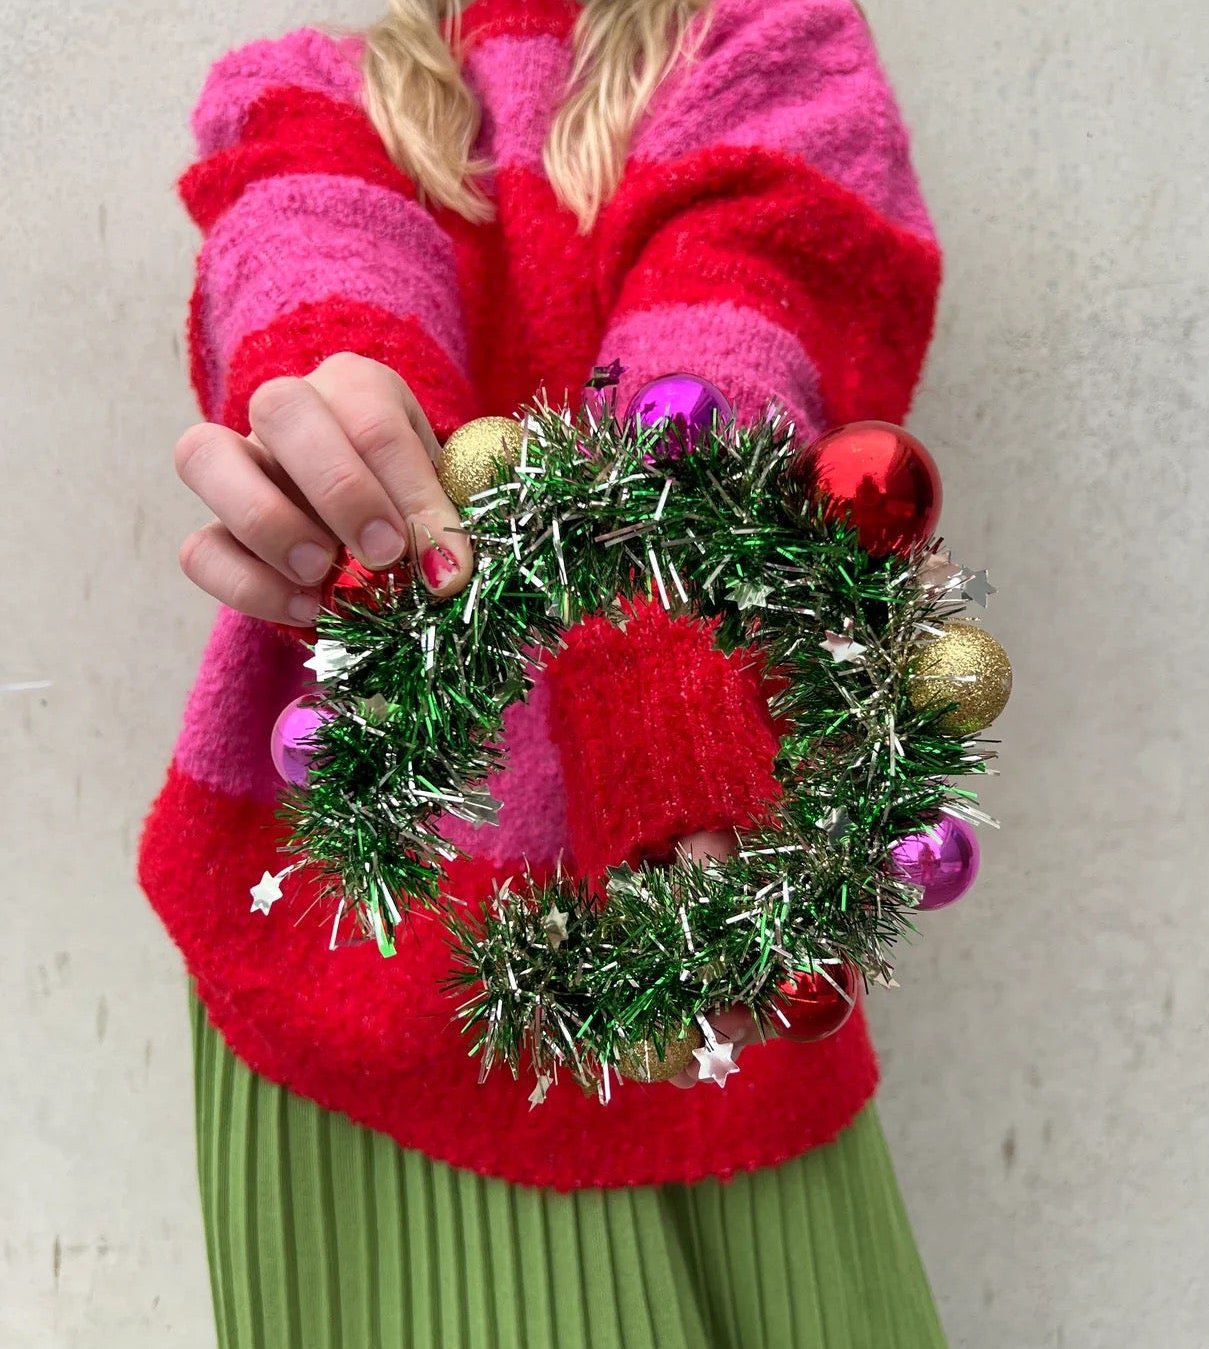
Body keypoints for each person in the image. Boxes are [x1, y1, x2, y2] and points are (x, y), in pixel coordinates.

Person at [139, 0, 946, 1343]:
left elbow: (739, 315)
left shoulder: (772, 52)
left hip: (687, 927)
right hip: (344, 945)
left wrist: (661, 648)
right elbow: (314, 257)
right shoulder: (319, 95)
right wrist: (335, 421)